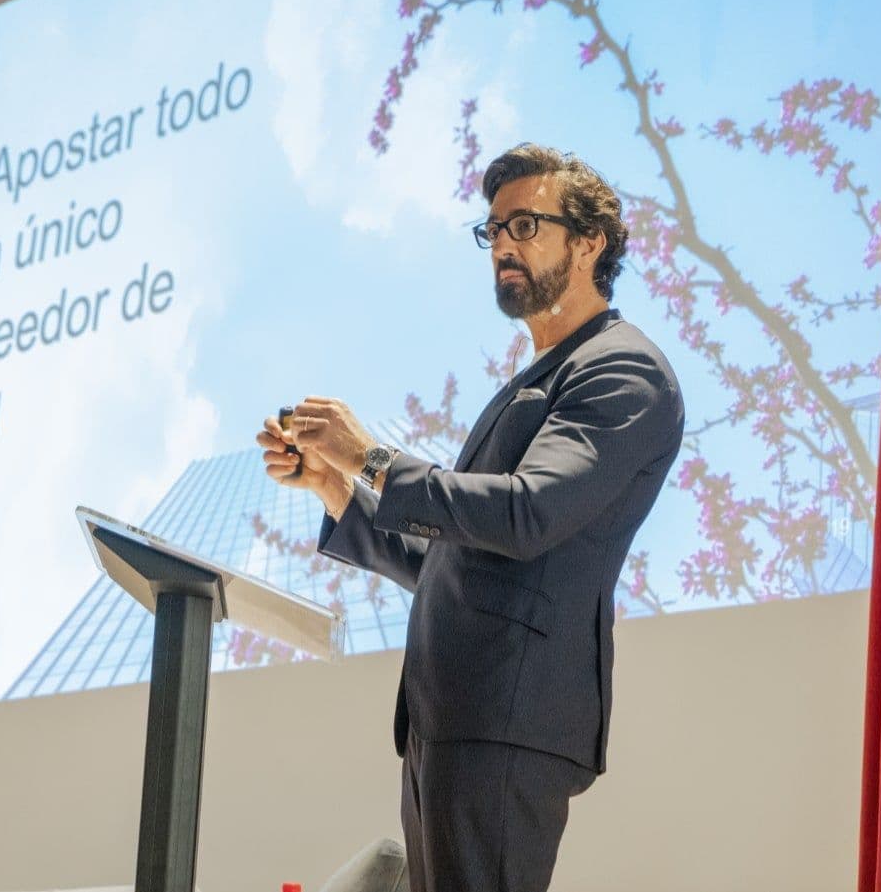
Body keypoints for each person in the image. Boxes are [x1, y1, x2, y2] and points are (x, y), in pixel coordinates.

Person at [256, 143, 684, 892]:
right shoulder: (536, 377)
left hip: (506, 717)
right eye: (493, 230)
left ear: (591, 242)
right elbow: (455, 561)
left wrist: (372, 456)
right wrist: (336, 488)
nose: (504, 247)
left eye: (526, 224)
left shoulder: (623, 368)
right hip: (451, 717)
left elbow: (526, 513)